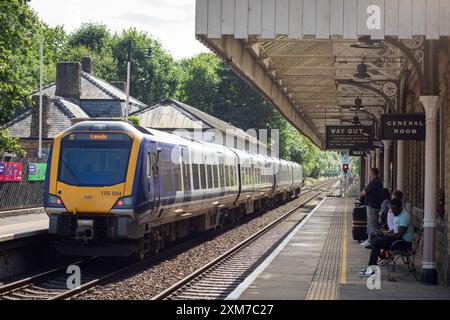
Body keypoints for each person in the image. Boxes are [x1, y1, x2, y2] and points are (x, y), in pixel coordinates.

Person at [359, 197, 414, 277]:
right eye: (391, 209)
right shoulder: (399, 213)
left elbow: (399, 234)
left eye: (394, 209)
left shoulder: (405, 217)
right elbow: (395, 229)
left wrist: (385, 234)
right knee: (375, 238)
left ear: (400, 208)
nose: (392, 211)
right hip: (397, 239)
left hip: (403, 243)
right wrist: (385, 232)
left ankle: (372, 269)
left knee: (376, 243)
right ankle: (380, 259)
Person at [359, 168, 383, 248]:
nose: (368, 174)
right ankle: (370, 240)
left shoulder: (374, 182)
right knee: (371, 224)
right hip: (374, 205)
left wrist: (362, 193)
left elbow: (364, 192)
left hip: (372, 206)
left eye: (369, 173)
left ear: (373, 174)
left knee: (372, 224)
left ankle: (375, 242)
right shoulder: (378, 182)